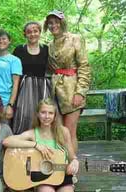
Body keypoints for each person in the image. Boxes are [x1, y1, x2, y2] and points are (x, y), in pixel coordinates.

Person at [3, 98, 79, 192]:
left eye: (50, 113)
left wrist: (74, 161)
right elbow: (7, 141)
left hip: (62, 174)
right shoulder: (32, 134)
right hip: (41, 177)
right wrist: (36, 145)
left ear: (55, 116)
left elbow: (71, 156)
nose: (47, 116)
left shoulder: (63, 132)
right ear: (38, 114)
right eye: (43, 112)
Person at [44, 10, 91, 153]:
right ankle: (59, 169)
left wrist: (80, 92)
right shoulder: (49, 45)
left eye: (56, 22)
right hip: (54, 92)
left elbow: (84, 66)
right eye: (50, 23)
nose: (53, 25)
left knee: (69, 132)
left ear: (62, 22)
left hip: (72, 90)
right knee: (57, 132)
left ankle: (72, 169)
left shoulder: (75, 38)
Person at [12, 21, 50, 134]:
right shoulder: (19, 49)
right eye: (29, 32)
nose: (32, 34)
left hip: (43, 88)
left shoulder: (47, 49)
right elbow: (13, 70)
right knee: (24, 114)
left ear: (39, 32)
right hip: (24, 88)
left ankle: (44, 142)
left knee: (43, 114)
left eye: (35, 31)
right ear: (25, 34)